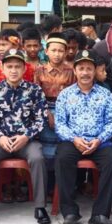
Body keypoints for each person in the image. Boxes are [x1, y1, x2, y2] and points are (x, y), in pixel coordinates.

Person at [0, 49, 49, 224]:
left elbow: (41, 118)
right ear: (2, 68)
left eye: (18, 66)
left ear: (25, 68)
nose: (14, 70)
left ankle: (40, 206)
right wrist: (0, 137)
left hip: (27, 140)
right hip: (0, 141)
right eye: (9, 66)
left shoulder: (34, 90)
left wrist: (26, 136)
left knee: (38, 158)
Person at [54, 50, 112, 224]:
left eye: (89, 69)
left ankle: (100, 214)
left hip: (99, 142)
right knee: (62, 159)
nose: (85, 73)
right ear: (75, 71)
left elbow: (111, 120)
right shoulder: (65, 95)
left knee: (111, 161)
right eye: (81, 68)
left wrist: (98, 140)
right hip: (73, 140)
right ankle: (69, 212)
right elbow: (60, 124)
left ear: (95, 71)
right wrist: (74, 139)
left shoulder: (105, 94)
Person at [34, 33, 75, 177]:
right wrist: (48, 114)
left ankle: (61, 182)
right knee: (46, 150)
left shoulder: (71, 71)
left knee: (62, 147)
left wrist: (61, 115)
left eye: (61, 51)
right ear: (46, 51)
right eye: (53, 50)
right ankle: (48, 184)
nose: (57, 54)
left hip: (64, 110)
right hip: (44, 110)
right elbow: (37, 96)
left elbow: (73, 96)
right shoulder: (39, 71)